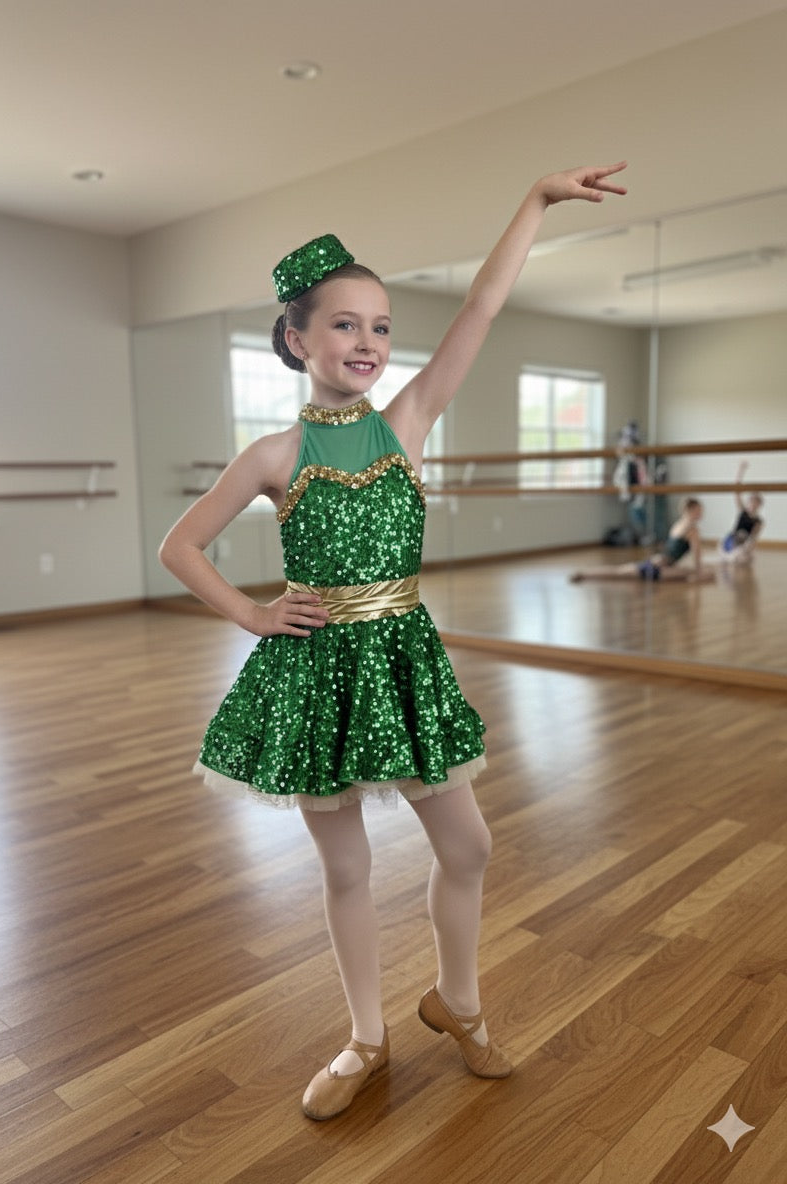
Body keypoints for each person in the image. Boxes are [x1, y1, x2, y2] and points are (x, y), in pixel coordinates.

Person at [159, 162, 628, 1120]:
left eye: (380, 326)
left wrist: (535, 201)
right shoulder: (274, 455)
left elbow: (482, 307)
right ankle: (365, 1039)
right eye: (345, 324)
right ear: (297, 340)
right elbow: (180, 546)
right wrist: (253, 614)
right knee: (346, 869)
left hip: (402, 662)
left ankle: (458, 1003)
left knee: (470, 845)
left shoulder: (407, 422)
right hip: (316, 672)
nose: (368, 342)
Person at [570, 497, 715, 582]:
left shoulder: (679, 524)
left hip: (661, 561)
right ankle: (585, 573)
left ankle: (585, 573)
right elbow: (697, 556)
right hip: (661, 566)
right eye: (699, 510)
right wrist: (700, 573)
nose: (701, 514)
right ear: (691, 510)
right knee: (621, 573)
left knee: (620, 571)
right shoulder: (693, 530)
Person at [718, 461, 764, 563]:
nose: (753, 505)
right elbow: (737, 491)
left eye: (756, 502)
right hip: (732, 540)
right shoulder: (743, 511)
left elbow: (754, 537)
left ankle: (736, 554)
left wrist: (748, 548)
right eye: (751, 502)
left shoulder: (758, 521)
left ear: (759, 505)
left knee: (747, 554)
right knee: (736, 550)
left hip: (743, 543)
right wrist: (741, 471)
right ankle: (729, 553)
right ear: (748, 502)